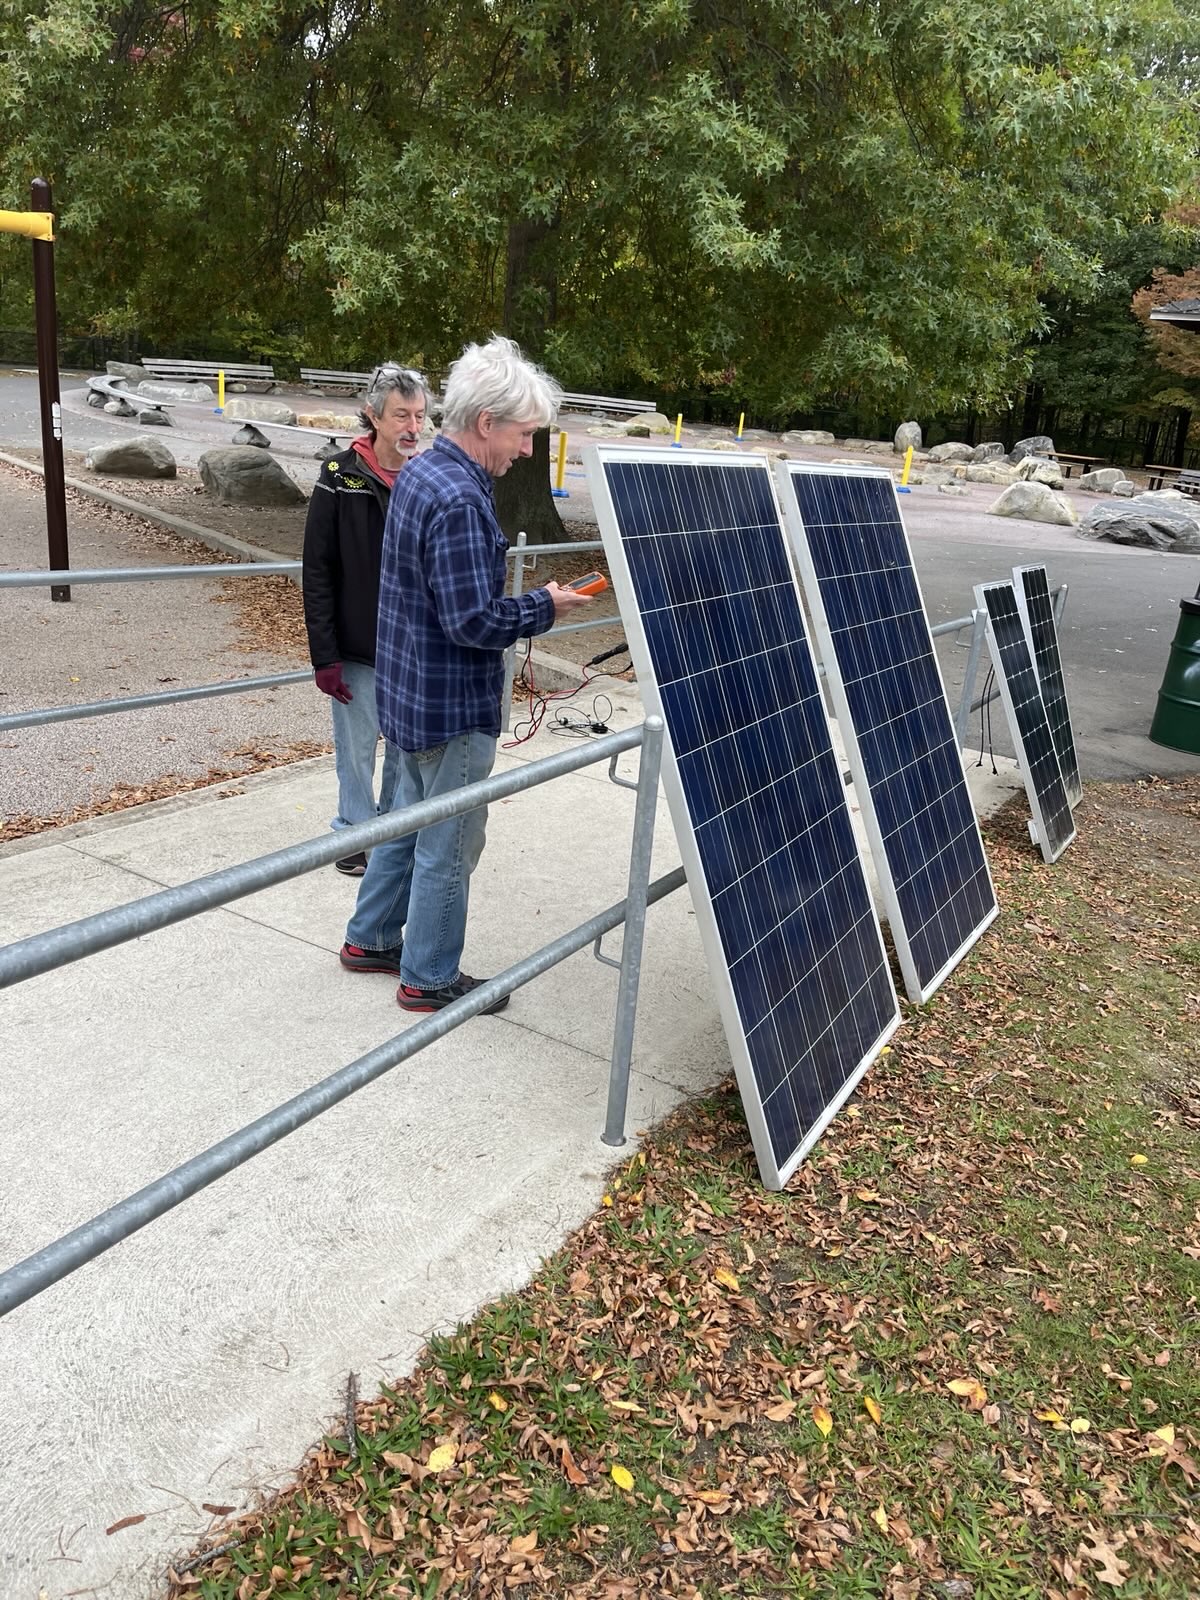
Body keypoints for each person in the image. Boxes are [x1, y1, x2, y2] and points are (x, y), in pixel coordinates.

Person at [338, 335, 592, 1009]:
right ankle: (428, 978)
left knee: (405, 822)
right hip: (451, 709)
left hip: (409, 696)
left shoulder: (422, 472)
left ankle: (370, 939)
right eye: (525, 433)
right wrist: (545, 606)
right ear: (486, 424)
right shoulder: (459, 498)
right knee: (447, 846)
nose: (528, 450)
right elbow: (471, 623)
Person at [302, 364, 430, 876]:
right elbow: (318, 568)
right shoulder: (338, 477)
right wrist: (323, 655)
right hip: (356, 647)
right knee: (355, 749)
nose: (412, 427)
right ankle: (354, 835)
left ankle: (393, 835)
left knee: (405, 750)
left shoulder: (427, 476)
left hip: (412, 646)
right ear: (373, 415)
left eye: (420, 416)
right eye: (402, 414)